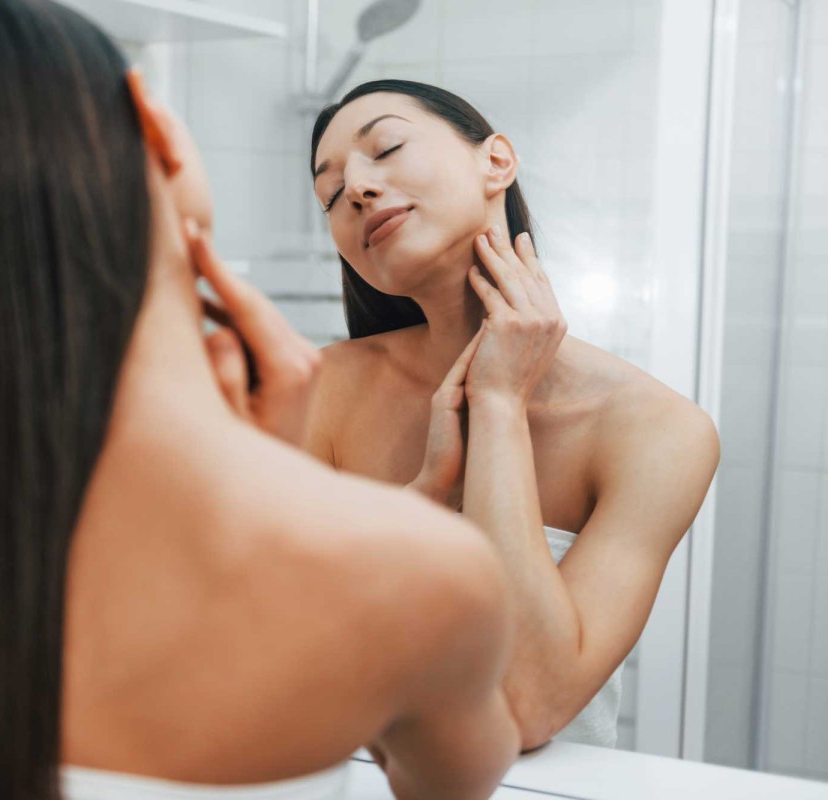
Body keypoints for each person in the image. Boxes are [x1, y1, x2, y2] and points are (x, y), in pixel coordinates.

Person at [0, 5, 520, 800]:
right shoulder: (417, 578)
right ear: (152, 129)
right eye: (331, 190)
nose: (358, 195)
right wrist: (295, 488)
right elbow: (451, 779)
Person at [306, 80, 720, 749]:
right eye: (329, 195)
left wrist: (498, 403)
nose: (355, 188)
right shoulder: (322, 390)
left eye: (386, 147)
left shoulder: (659, 430)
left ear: (496, 162)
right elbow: (282, 652)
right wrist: (422, 498)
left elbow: (527, 706)